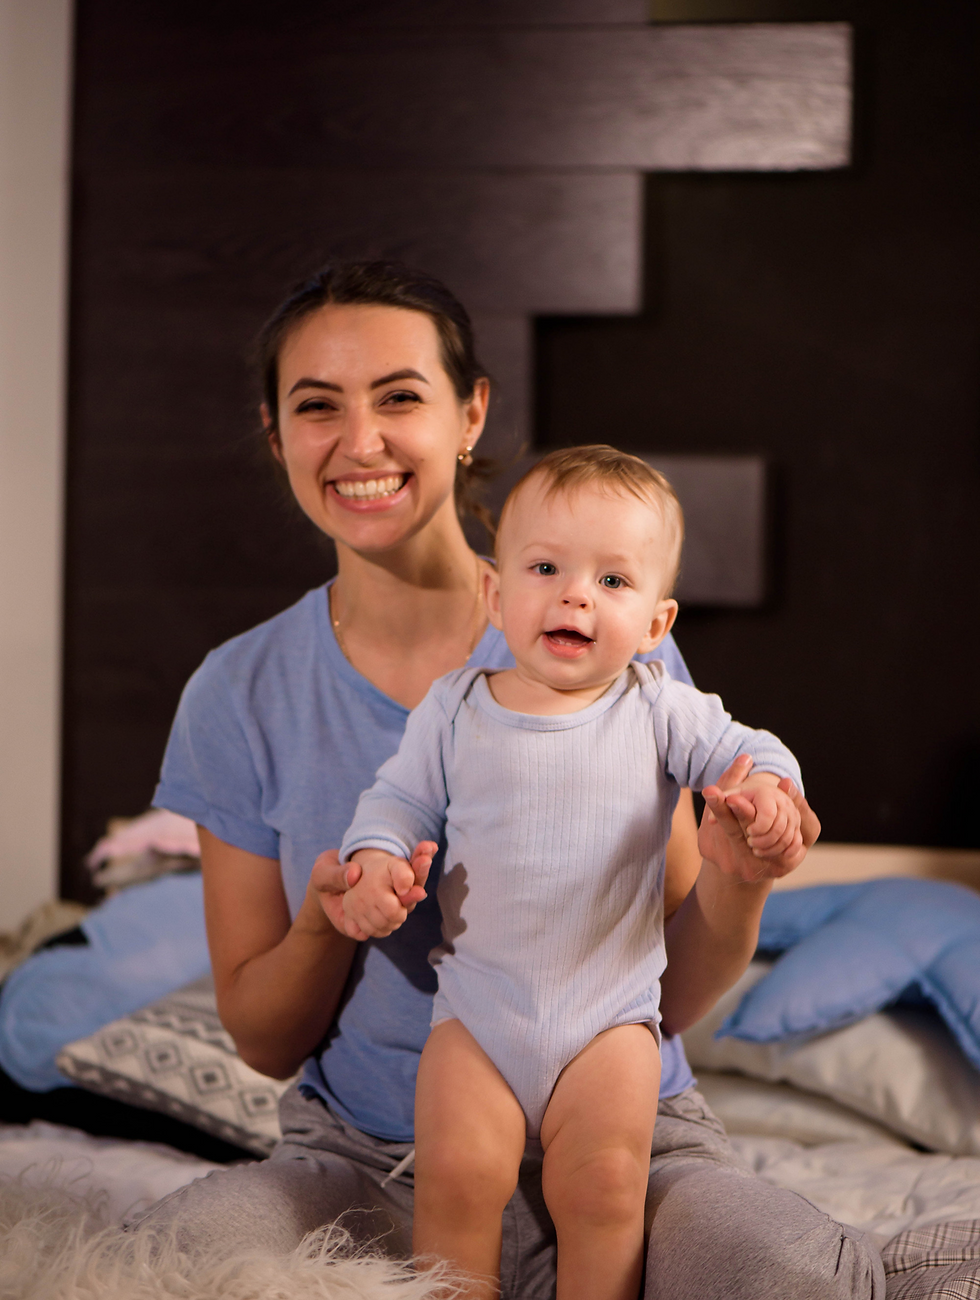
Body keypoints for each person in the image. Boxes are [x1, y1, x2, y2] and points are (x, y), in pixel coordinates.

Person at [133, 260, 884, 1299]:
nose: (360, 442)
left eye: (400, 396)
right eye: (317, 406)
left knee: (791, 1275)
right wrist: (326, 918)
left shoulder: (622, 661)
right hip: (372, 1155)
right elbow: (262, 1040)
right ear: (275, 434)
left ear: (470, 412)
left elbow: (668, 994)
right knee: (162, 1264)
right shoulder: (239, 691)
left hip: (625, 1134)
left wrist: (740, 872)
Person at [338, 445, 806, 1300]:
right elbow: (393, 802)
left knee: (604, 1190)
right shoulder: (454, 708)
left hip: (607, 1020)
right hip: (478, 1014)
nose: (575, 595)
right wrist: (373, 861)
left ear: (657, 625)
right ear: (495, 594)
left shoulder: (657, 707)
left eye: (613, 581)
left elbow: (753, 750)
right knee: (455, 1181)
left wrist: (768, 791)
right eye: (546, 568)